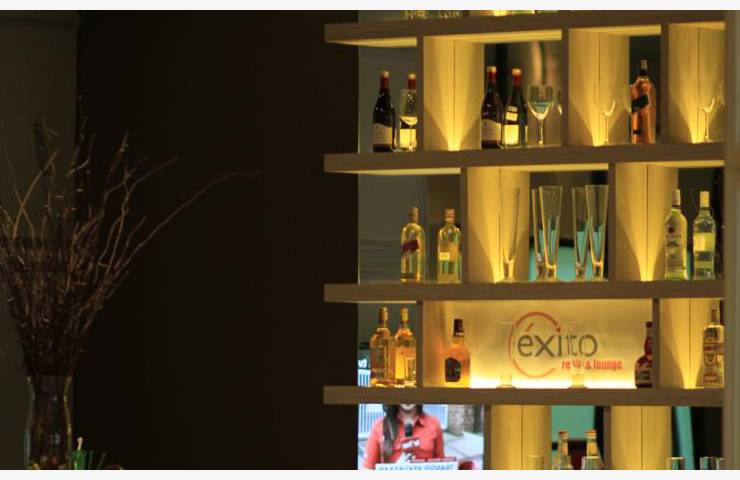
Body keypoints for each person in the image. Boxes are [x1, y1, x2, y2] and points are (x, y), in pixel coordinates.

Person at [363, 404, 444, 469]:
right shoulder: (379, 427)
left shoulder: (434, 424)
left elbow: (442, 466)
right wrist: (396, 470)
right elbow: (367, 471)